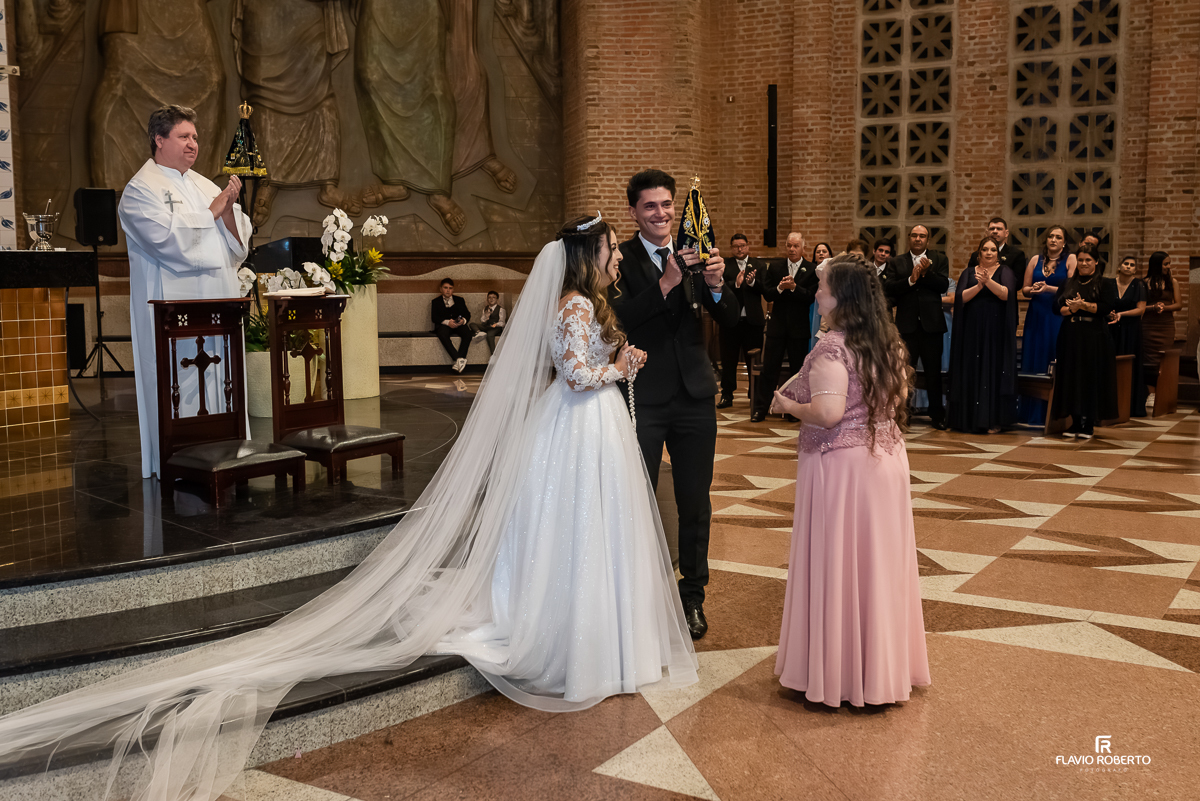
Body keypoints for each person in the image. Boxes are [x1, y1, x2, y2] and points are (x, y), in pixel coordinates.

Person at [0, 216, 699, 801]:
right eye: (610, 249)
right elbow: (576, 376)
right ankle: (577, 643)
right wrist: (620, 367)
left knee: (591, 535)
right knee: (577, 534)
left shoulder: (585, 303)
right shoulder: (574, 305)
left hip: (588, 432)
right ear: (586, 255)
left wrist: (618, 361)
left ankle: (598, 639)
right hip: (578, 428)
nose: (616, 258)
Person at [771, 255, 930, 707]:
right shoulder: (887, 342)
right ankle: (878, 672)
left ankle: (839, 676)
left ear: (841, 296)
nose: (817, 292)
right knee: (878, 565)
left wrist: (788, 405)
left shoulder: (832, 348)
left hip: (843, 468)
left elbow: (827, 413)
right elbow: (897, 396)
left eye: (822, 286)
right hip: (886, 460)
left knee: (842, 563)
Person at [610, 168, 741, 640]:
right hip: (641, 396)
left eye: (667, 204)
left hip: (694, 397)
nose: (661, 213)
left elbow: (732, 321)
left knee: (695, 502)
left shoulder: (695, 249)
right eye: (650, 206)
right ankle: (637, 595)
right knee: (636, 498)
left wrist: (718, 284)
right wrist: (665, 283)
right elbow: (617, 318)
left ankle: (692, 597)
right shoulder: (619, 260)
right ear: (634, 211)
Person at [119, 104, 252, 480]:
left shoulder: (205, 185)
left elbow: (237, 247)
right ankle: (178, 461)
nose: (193, 143)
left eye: (195, 136)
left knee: (220, 375)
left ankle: (228, 450)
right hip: (172, 311)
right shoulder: (140, 190)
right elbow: (167, 240)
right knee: (178, 378)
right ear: (159, 140)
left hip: (217, 304)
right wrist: (211, 213)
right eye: (183, 136)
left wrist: (228, 213)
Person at [947, 237, 1019, 433]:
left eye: (993, 250)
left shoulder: (1005, 271)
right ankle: (969, 419)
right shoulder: (969, 272)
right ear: (979, 253)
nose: (989, 253)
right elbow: (960, 297)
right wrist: (979, 286)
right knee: (971, 368)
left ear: (998, 254)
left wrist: (988, 282)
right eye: (985, 249)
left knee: (992, 368)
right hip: (972, 329)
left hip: (995, 330)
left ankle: (992, 420)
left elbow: (1006, 294)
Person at [884, 224, 950, 429]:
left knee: (933, 372)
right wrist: (910, 281)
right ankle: (905, 415)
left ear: (928, 240)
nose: (918, 239)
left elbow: (943, 285)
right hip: (907, 325)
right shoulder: (896, 262)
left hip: (932, 325)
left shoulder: (939, 259)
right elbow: (889, 287)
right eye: (914, 235)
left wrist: (925, 273)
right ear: (909, 238)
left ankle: (937, 414)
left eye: (922, 236)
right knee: (904, 372)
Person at [1050, 244, 1118, 439]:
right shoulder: (1067, 283)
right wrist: (1072, 309)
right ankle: (1075, 421)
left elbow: (1106, 307)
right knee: (1071, 376)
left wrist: (1083, 305)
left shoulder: (1105, 283)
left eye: (1088, 260)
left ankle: (1088, 423)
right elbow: (1056, 308)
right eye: (1080, 260)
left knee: (1090, 376)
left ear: (1096, 262)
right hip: (1070, 334)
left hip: (1094, 335)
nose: (1084, 263)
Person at [751, 231, 818, 423]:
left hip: (799, 328)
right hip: (777, 327)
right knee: (769, 369)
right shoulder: (776, 267)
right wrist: (781, 288)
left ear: (803, 248)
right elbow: (768, 293)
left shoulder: (811, 269)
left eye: (796, 246)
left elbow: (810, 296)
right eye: (789, 245)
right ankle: (761, 409)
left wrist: (794, 287)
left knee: (798, 371)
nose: (792, 249)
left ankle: (794, 411)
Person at [1017, 226, 1076, 426]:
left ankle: (1052, 412)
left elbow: (1071, 289)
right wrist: (1032, 289)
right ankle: (1030, 412)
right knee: (1033, 356)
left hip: (1056, 314)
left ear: (1064, 242)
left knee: (1052, 354)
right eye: (1050, 236)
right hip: (1036, 314)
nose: (1053, 240)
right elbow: (1024, 289)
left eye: (1058, 237)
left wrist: (1048, 288)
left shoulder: (1071, 259)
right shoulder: (1035, 260)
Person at [718, 233, 767, 408]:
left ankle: (755, 394)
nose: (739, 249)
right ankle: (727, 394)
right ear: (731, 248)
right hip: (730, 321)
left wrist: (752, 283)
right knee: (728, 360)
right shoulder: (724, 265)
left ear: (748, 246)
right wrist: (736, 284)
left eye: (742, 246)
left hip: (752, 321)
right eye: (736, 246)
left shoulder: (759, 265)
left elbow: (766, 289)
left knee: (753, 359)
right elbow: (718, 287)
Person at [1108, 254, 1148, 417]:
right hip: (1111, 327)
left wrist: (1121, 314)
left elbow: (1141, 309)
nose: (1129, 267)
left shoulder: (1139, 285)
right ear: (1119, 266)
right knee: (1111, 362)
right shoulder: (1110, 283)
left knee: (1130, 364)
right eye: (1126, 264)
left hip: (1131, 329)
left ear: (1135, 270)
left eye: (1132, 265)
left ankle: (1130, 405)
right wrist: (1110, 313)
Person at [1141, 250, 1182, 394]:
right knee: (1148, 360)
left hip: (1166, 326)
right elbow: (1139, 307)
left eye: (1169, 263)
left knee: (1164, 357)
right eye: (1166, 264)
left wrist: (1165, 307)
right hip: (1148, 326)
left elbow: (1179, 305)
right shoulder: (1144, 283)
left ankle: (1163, 394)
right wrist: (1153, 307)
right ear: (1157, 265)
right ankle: (1150, 393)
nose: (1168, 267)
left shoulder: (1172, 282)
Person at [432, 277, 472, 372]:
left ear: (453, 289)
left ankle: (459, 361)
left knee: (467, 333)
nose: (448, 290)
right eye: (445, 288)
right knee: (442, 334)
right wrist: (447, 322)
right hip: (445, 325)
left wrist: (463, 320)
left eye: (450, 288)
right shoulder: (436, 302)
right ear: (441, 289)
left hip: (458, 324)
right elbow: (434, 318)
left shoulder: (460, 300)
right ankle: (458, 359)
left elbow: (467, 314)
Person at [808, 242, 833, 349]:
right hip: (813, 306)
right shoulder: (810, 272)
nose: (821, 253)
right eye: (818, 252)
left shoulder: (833, 274)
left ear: (830, 255)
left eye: (824, 251)